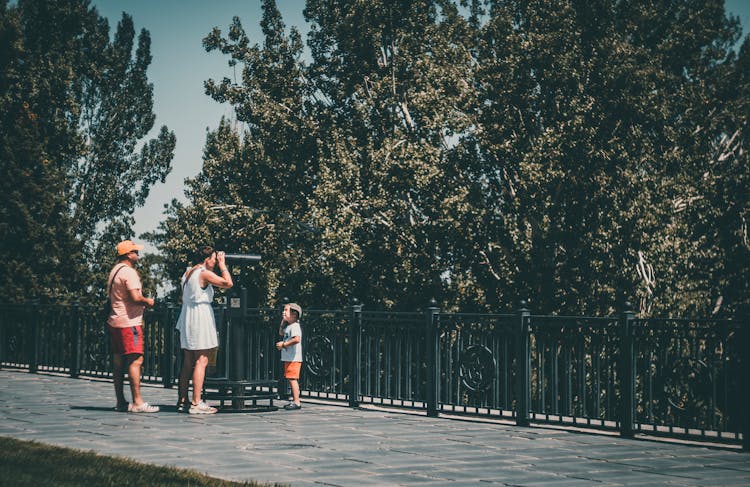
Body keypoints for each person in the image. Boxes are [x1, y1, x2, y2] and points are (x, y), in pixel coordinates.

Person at [175, 246, 233, 414]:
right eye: (214, 258)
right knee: (202, 360)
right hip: (199, 316)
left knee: (188, 361)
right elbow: (228, 283)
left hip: (187, 315)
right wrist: (223, 266)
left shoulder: (188, 272)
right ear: (207, 259)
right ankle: (196, 402)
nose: (215, 261)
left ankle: (183, 399)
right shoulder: (203, 273)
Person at [107, 239, 159, 413]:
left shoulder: (115, 270)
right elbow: (136, 298)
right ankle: (137, 402)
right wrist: (148, 302)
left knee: (118, 361)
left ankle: (121, 402)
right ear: (128, 255)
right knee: (136, 360)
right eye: (135, 251)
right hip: (129, 323)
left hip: (115, 321)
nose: (138, 254)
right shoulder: (129, 272)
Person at [276, 303, 303, 410]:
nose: (283, 312)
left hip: (294, 358)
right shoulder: (289, 326)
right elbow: (281, 333)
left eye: (286, 310)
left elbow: (296, 339)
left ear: (294, 314)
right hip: (289, 357)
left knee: (292, 379)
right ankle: (295, 400)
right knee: (290, 378)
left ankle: (297, 401)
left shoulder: (295, 326)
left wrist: (283, 344)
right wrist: (282, 322)